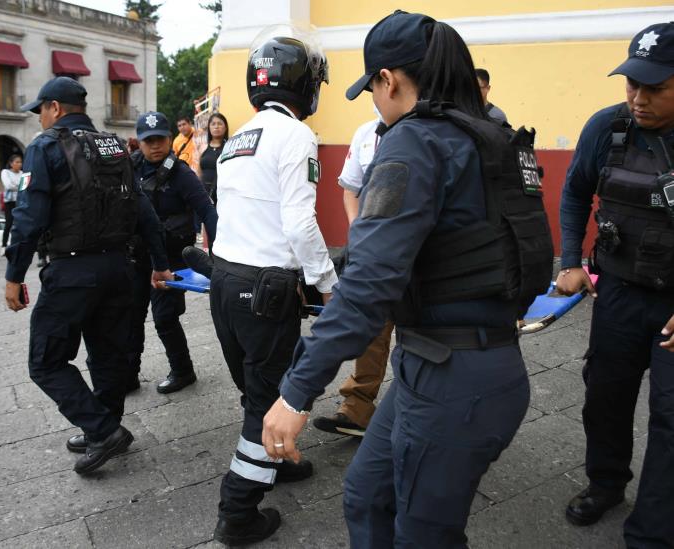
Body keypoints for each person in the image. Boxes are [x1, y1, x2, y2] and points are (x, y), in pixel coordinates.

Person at [262, 11, 553, 548]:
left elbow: (367, 286)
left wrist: (296, 393)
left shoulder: (414, 142)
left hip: (454, 382)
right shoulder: (491, 133)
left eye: (372, 87)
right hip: (457, 366)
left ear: (389, 79)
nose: (374, 100)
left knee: (423, 535)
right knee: (367, 493)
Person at [4, 76, 173, 475]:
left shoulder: (45, 146)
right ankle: (106, 423)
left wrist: (14, 274)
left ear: (55, 109)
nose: (40, 119)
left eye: (41, 111)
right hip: (119, 269)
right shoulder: (115, 146)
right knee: (108, 354)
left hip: (72, 270)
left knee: (45, 362)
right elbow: (144, 212)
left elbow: (29, 218)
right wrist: (161, 262)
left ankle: (102, 430)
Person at [209, 27, 337, 546]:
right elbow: (300, 225)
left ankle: (273, 458)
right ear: (304, 84)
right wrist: (329, 285)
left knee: (254, 387)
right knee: (266, 397)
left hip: (225, 278)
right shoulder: (296, 136)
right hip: (265, 288)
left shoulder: (239, 135)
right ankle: (238, 509)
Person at [556, 23, 674, 547]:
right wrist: (570, 260)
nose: (638, 98)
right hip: (620, 292)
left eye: (655, 87)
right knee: (604, 398)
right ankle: (605, 484)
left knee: (670, 421)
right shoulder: (607, 127)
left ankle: (651, 531)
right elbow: (576, 192)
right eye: (632, 84)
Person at [125, 111, 218, 394]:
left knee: (165, 317)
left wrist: (221, 253)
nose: (154, 146)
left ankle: (182, 370)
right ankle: (128, 375)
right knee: (130, 316)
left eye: (160, 140)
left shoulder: (181, 174)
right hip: (137, 256)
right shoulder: (129, 168)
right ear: (140, 143)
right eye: (148, 140)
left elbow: (207, 212)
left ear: (169, 140)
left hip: (171, 257)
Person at [313, 113, 393, 438]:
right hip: (374, 251)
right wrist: (358, 229)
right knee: (372, 330)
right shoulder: (365, 132)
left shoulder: (432, 128)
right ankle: (357, 409)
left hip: (420, 252)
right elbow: (351, 189)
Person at [197, 112, 229, 204]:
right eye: (213, 124)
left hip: (221, 194)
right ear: (209, 128)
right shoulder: (202, 147)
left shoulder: (229, 147)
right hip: (203, 193)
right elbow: (198, 172)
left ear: (225, 127)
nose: (216, 127)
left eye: (220, 124)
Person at [0, 153, 22, 254]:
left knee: (21, 223)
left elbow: (26, 186)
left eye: (20, 162)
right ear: (11, 163)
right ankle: (4, 246)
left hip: (21, 201)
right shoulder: (5, 172)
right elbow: (8, 185)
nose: (19, 164)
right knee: (8, 223)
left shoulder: (22, 173)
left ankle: (19, 244)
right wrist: (19, 186)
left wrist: (17, 186)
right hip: (9, 201)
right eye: (17, 162)